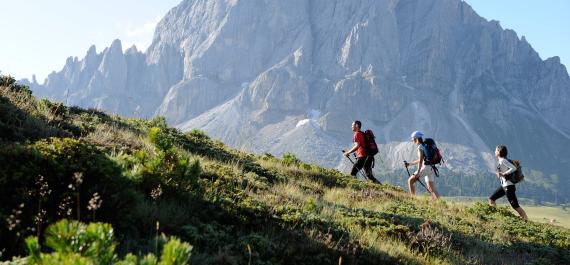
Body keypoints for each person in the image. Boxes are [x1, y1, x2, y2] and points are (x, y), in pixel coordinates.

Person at [488, 145, 528, 220]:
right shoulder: (501, 160)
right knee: (491, 199)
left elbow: (514, 168)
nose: (495, 151)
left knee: (515, 206)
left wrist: (504, 174)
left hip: (508, 187)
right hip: (504, 186)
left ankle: (527, 220)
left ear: (499, 152)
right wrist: (500, 174)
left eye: (496, 150)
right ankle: (495, 217)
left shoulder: (503, 160)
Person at [405, 131, 440, 199]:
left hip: (426, 168)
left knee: (410, 181)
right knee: (431, 188)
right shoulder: (424, 145)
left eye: (412, 139)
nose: (412, 140)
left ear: (416, 139)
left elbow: (421, 160)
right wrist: (409, 164)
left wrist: (418, 172)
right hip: (431, 167)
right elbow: (422, 159)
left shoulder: (420, 147)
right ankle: (440, 203)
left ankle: (413, 200)